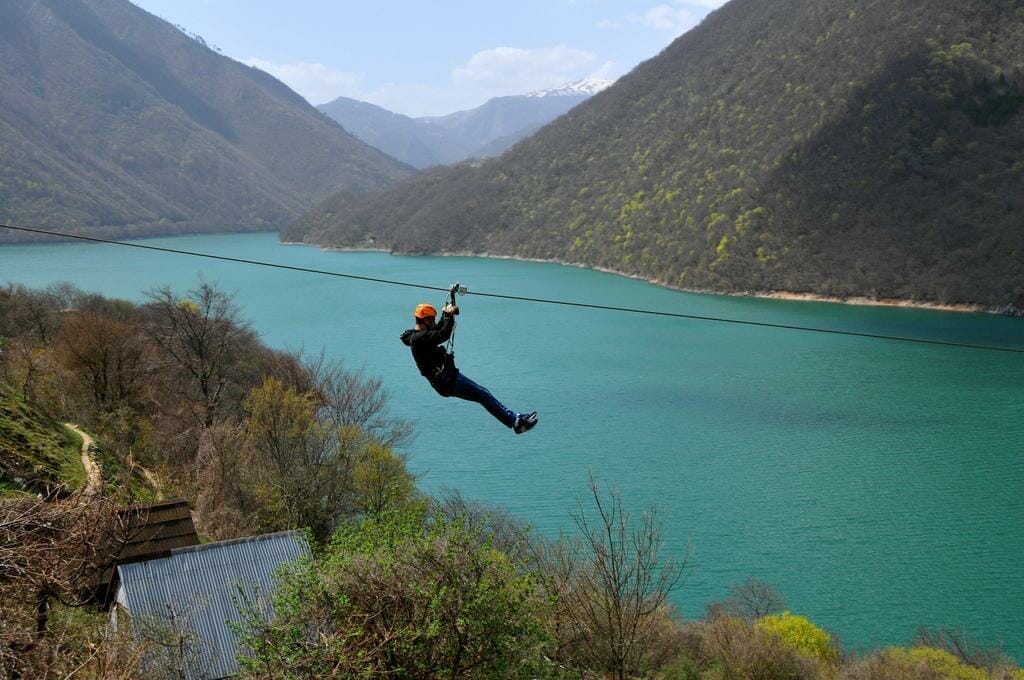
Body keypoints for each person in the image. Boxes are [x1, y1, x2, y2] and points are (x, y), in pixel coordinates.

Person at [400, 301, 538, 434]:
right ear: (426, 320)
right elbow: (443, 334)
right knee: (483, 395)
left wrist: (446, 314)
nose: (434, 323)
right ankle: (516, 423)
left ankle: (516, 417)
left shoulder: (419, 336)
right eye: (433, 320)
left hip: (448, 377)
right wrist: (447, 316)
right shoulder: (419, 339)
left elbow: (438, 330)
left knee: (484, 393)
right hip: (446, 381)